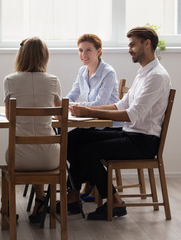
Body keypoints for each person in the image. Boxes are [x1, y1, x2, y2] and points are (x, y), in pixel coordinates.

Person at [67, 26, 171, 220]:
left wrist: (90, 111)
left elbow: (133, 114)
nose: (129, 49)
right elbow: (120, 104)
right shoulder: (143, 73)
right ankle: (72, 196)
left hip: (143, 141)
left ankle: (114, 201)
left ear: (147, 44)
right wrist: (87, 111)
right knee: (74, 138)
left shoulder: (156, 76)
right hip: (129, 134)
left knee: (85, 151)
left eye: (133, 45)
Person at [3, 37, 62, 224]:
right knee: (39, 144)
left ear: (21, 55)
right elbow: (60, 117)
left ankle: (9, 211)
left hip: (19, 158)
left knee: (29, 146)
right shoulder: (53, 80)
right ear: (45, 56)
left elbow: (9, 116)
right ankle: (40, 200)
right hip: (51, 158)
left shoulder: (10, 80)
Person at [66, 34, 122, 203]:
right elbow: (73, 94)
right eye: (81, 50)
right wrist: (61, 104)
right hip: (92, 125)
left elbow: (100, 103)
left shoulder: (108, 72)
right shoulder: (82, 71)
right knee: (68, 141)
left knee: (72, 142)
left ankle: (77, 190)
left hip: (110, 125)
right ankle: (86, 184)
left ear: (99, 51)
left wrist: (79, 107)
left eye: (88, 50)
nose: (84, 54)